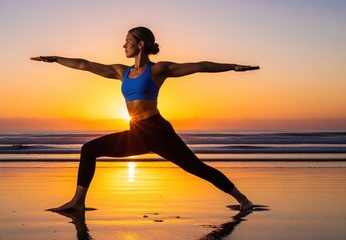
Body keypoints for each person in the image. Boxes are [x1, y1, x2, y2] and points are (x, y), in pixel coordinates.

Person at [31, 26, 259, 211]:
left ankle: (243, 200)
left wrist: (232, 67)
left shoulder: (157, 69)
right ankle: (78, 202)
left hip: (158, 131)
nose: (123, 45)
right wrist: (55, 59)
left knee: (197, 169)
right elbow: (86, 65)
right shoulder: (122, 72)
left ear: (141, 44)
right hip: (136, 132)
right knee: (89, 149)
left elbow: (199, 66)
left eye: (127, 41)